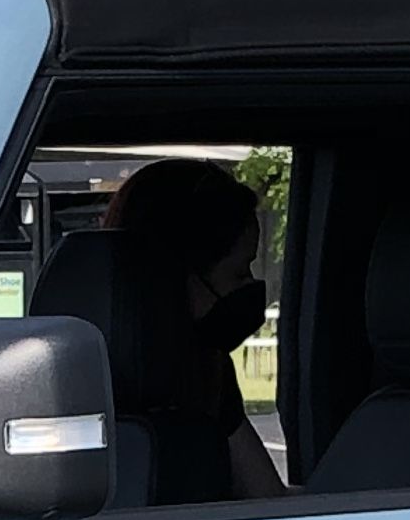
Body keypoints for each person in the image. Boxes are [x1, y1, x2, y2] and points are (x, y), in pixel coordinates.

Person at [104, 157, 285, 501]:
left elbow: (266, 496)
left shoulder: (206, 371)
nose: (250, 288)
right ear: (175, 279)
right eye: (238, 273)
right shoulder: (91, 390)